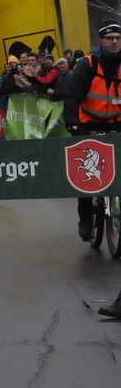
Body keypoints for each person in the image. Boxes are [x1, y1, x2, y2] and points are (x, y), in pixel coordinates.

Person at [64, 19, 121, 248]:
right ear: (100, 41)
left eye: (118, 38)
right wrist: (72, 124)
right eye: (110, 38)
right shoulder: (88, 65)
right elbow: (72, 96)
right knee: (87, 177)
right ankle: (86, 219)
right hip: (88, 124)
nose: (115, 42)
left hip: (117, 123)